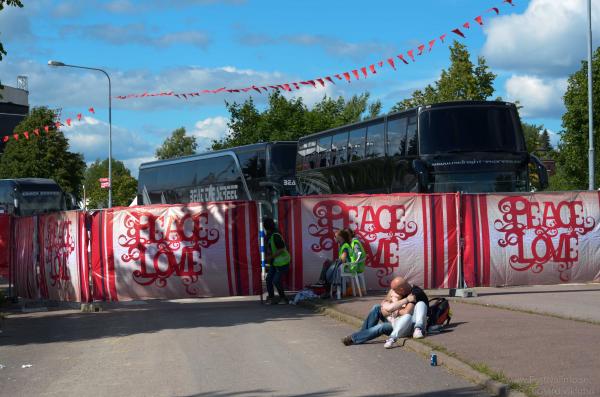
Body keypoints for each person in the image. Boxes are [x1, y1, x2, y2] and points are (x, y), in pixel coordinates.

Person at [341, 276, 428, 346]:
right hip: (394, 318)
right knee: (376, 307)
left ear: (401, 290)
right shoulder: (401, 290)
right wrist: (389, 307)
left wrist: (392, 309)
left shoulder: (415, 294)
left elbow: (406, 312)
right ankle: (362, 334)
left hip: (404, 325)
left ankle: (354, 338)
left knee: (381, 327)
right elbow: (384, 302)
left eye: (395, 290)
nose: (393, 292)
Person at [317, 229, 353, 296]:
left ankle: (323, 283)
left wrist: (335, 261)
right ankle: (322, 282)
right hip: (344, 265)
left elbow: (343, 259)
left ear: (341, 238)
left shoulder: (345, 246)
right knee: (327, 263)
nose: (334, 238)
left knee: (327, 264)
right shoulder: (342, 245)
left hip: (346, 266)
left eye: (336, 236)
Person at [263, 217, 291, 305]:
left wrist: (270, 257)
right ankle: (271, 298)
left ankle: (283, 298)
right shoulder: (270, 235)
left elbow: (281, 249)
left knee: (276, 280)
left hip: (283, 263)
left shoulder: (275, 235)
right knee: (268, 279)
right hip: (276, 263)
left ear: (266, 227)